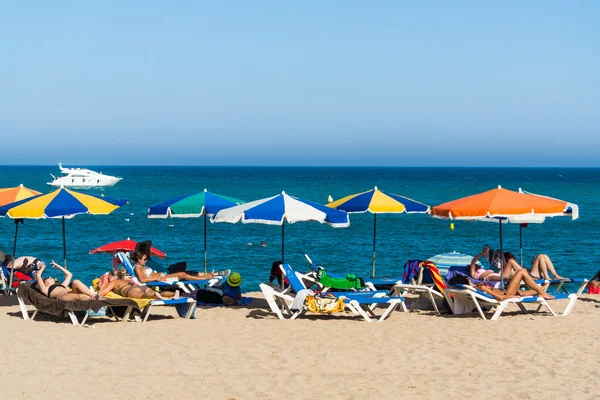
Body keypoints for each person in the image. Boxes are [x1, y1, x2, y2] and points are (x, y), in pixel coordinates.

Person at [458, 268, 554, 301]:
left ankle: (541, 290)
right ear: (467, 280)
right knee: (521, 272)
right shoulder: (481, 287)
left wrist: (472, 285)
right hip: (506, 294)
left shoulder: (476, 287)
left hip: (505, 291)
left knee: (524, 293)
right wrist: (511, 296)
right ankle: (541, 292)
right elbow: (499, 298)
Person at [131, 251, 215, 284]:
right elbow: (142, 280)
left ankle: (205, 277)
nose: (146, 261)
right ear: (138, 260)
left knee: (182, 273)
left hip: (161, 276)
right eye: (144, 259)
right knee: (182, 275)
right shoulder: (138, 268)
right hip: (160, 279)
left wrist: (158, 274)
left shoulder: (141, 266)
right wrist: (156, 279)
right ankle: (205, 278)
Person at [35, 260, 101, 301]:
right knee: (80, 296)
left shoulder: (61, 285)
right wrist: (43, 267)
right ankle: (94, 299)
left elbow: (70, 275)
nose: (50, 277)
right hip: (63, 296)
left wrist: (59, 267)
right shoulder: (45, 289)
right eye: (47, 278)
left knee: (76, 281)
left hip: (70, 292)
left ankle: (93, 296)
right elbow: (38, 276)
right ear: (45, 283)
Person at [98, 269, 179, 300]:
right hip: (142, 287)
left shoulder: (113, 282)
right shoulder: (127, 279)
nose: (109, 279)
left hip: (129, 290)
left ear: (115, 276)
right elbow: (136, 284)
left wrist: (105, 282)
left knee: (145, 296)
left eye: (109, 277)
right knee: (155, 294)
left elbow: (102, 293)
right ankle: (174, 294)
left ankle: (159, 296)